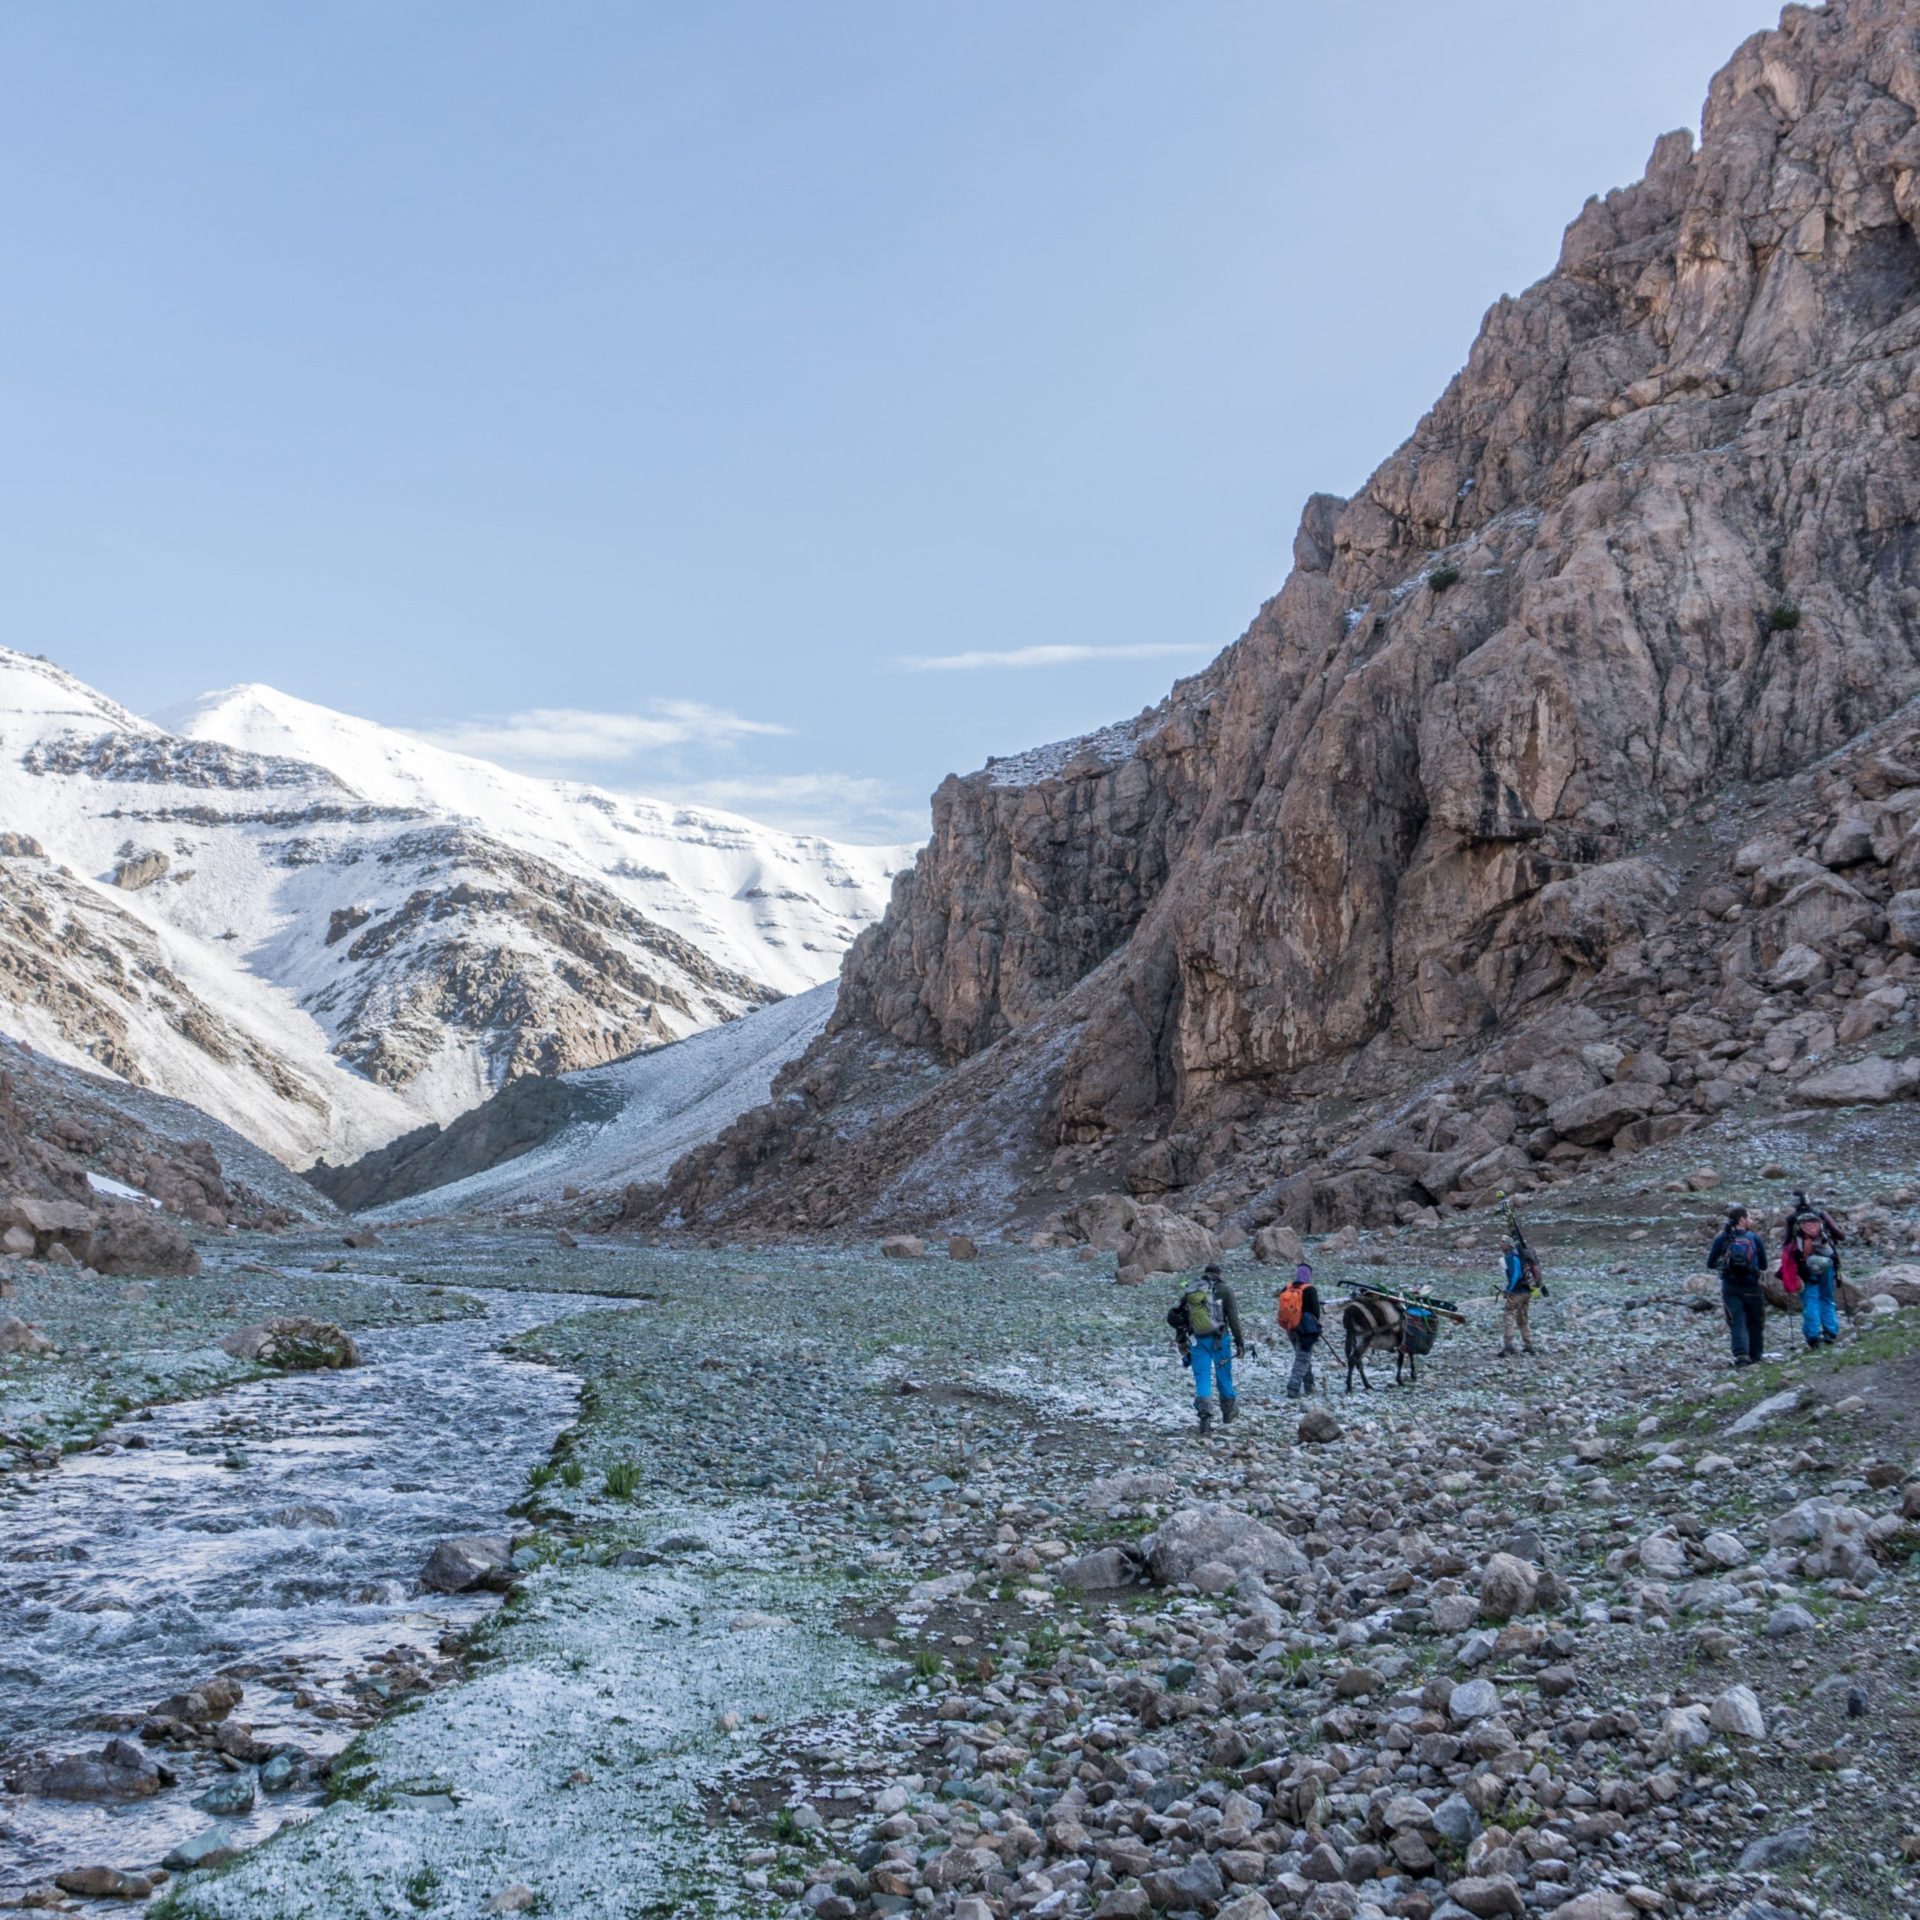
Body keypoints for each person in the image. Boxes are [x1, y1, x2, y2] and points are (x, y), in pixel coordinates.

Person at [1166, 1262, 1247, 1433]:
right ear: (1219, 1274)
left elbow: (1180, 1316)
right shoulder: (1225, 1290)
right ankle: (1228, 1412)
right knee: (1223, 1376)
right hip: (1220, 1340)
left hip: (1197, 1341)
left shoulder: (1192, 1290)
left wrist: (1182, 1341)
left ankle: (1204, 1415)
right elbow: (1233, 1318)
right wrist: (1240, 1343)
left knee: (1202, 1377)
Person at [1708, 1204, 1768, 1367]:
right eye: (1749, 1217)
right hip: (1752, 1285)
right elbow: (1764, 1265)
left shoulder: (1722, 1238)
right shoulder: (1754, 1238)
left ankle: (1741, 1355)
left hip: (1730, 1286)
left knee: (1736, 1320)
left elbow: (1710, 1263)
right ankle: (1756, 1355)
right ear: (1742, 1220)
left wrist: (1726, 1267)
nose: (1751, 1220)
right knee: (1755, 1321)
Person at [1781, 1208, 1841, 1350]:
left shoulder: (1794, 1221)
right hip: (1827, 1265)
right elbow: (1839, 1237)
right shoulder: (1820, 1216)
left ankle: (1813, 1335)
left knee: (1811, 1299)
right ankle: (1830, 1331)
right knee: (1827, 1297)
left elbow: (1787, 1245)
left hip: (1806, 1268)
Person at [1277, 1260, 1322, 1397]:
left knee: (1303, 1357)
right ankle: (1293, 1388)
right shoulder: (1310, 1289)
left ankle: (1309, 1386)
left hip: (1290, 1327)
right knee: (1302, 1359)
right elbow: (1316, 1312)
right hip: (1305, 1330)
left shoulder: (1287, 1288)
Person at [1498, 1236, 1542, 1356]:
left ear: (1508, 1244)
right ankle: (1528, 1345)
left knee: (1508, 1315)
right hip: (1527, 1291)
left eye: (1502, 1242)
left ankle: (1508, 1346)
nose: (1500, 1244)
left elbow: (1515, 1275)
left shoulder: (1510, 1257)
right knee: (1522, 1317)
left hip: (1517, 1292)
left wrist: (1508, 1290)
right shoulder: (1520, 1256)